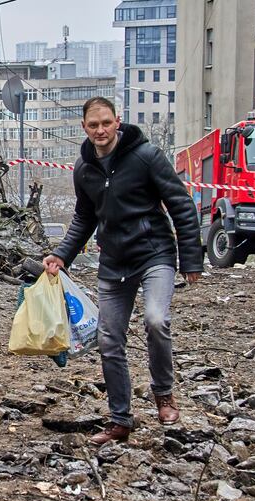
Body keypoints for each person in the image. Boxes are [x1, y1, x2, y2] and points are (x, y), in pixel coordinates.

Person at [43, 97, 203, 444]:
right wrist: (61, 256)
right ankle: (120, 420)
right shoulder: (84, 168)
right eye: (93, 125)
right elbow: (85, 218)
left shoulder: (146, 156)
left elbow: (181, 206)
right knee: (108, 339)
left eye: (106, 123)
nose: (100, 131)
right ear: (84, 128)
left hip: (154, 253)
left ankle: (164, 394)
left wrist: (191, 259)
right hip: (113, 262)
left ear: (118, 121)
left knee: (156, 319)